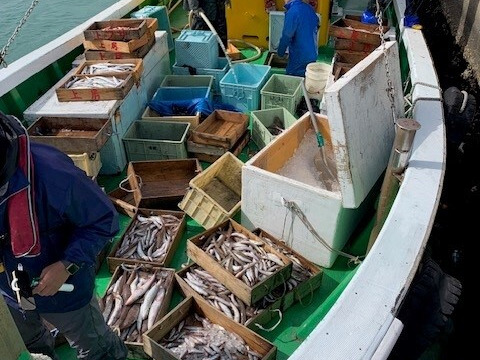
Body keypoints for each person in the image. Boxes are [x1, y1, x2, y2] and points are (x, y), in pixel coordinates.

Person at [0, 112, 126, 360]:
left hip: (63, 288)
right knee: (33, 343)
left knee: (97, 348)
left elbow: (104, 220)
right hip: (12, 291)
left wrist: (68, 265)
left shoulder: (53, 174)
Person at [277, 0, 319, 77]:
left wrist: (280, 53)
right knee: (306, 80)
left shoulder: (293, 11)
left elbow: (287, 35)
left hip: (299, 57)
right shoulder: (309, 9)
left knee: (293, 81)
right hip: (312, 55)